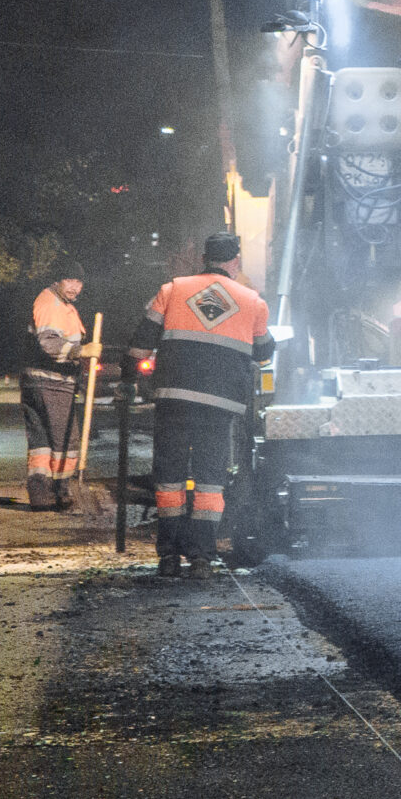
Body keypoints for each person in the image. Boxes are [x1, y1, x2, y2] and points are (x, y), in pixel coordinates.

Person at [130, 233, 273, 581]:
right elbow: (264, 352)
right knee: (210, 483)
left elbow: (139, 348)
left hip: (173, 399)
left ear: (204, 259)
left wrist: (132, 380)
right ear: (235, 262)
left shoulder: (173, 289)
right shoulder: (253, 301)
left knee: (169, 481)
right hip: (219, 406)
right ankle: (202, 560)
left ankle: (168, 558)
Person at [21, 262, 95, 510]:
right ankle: (62, 492)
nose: (75, 287)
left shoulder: (61, 305)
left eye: (79, 282)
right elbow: (49, 342)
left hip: (38, 381)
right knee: (65, 439)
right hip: (52, 382)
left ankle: (41, 494)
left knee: (41, 441)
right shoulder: (51, 303)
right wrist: (80, 350)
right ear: (58, 281)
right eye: (70, 280)